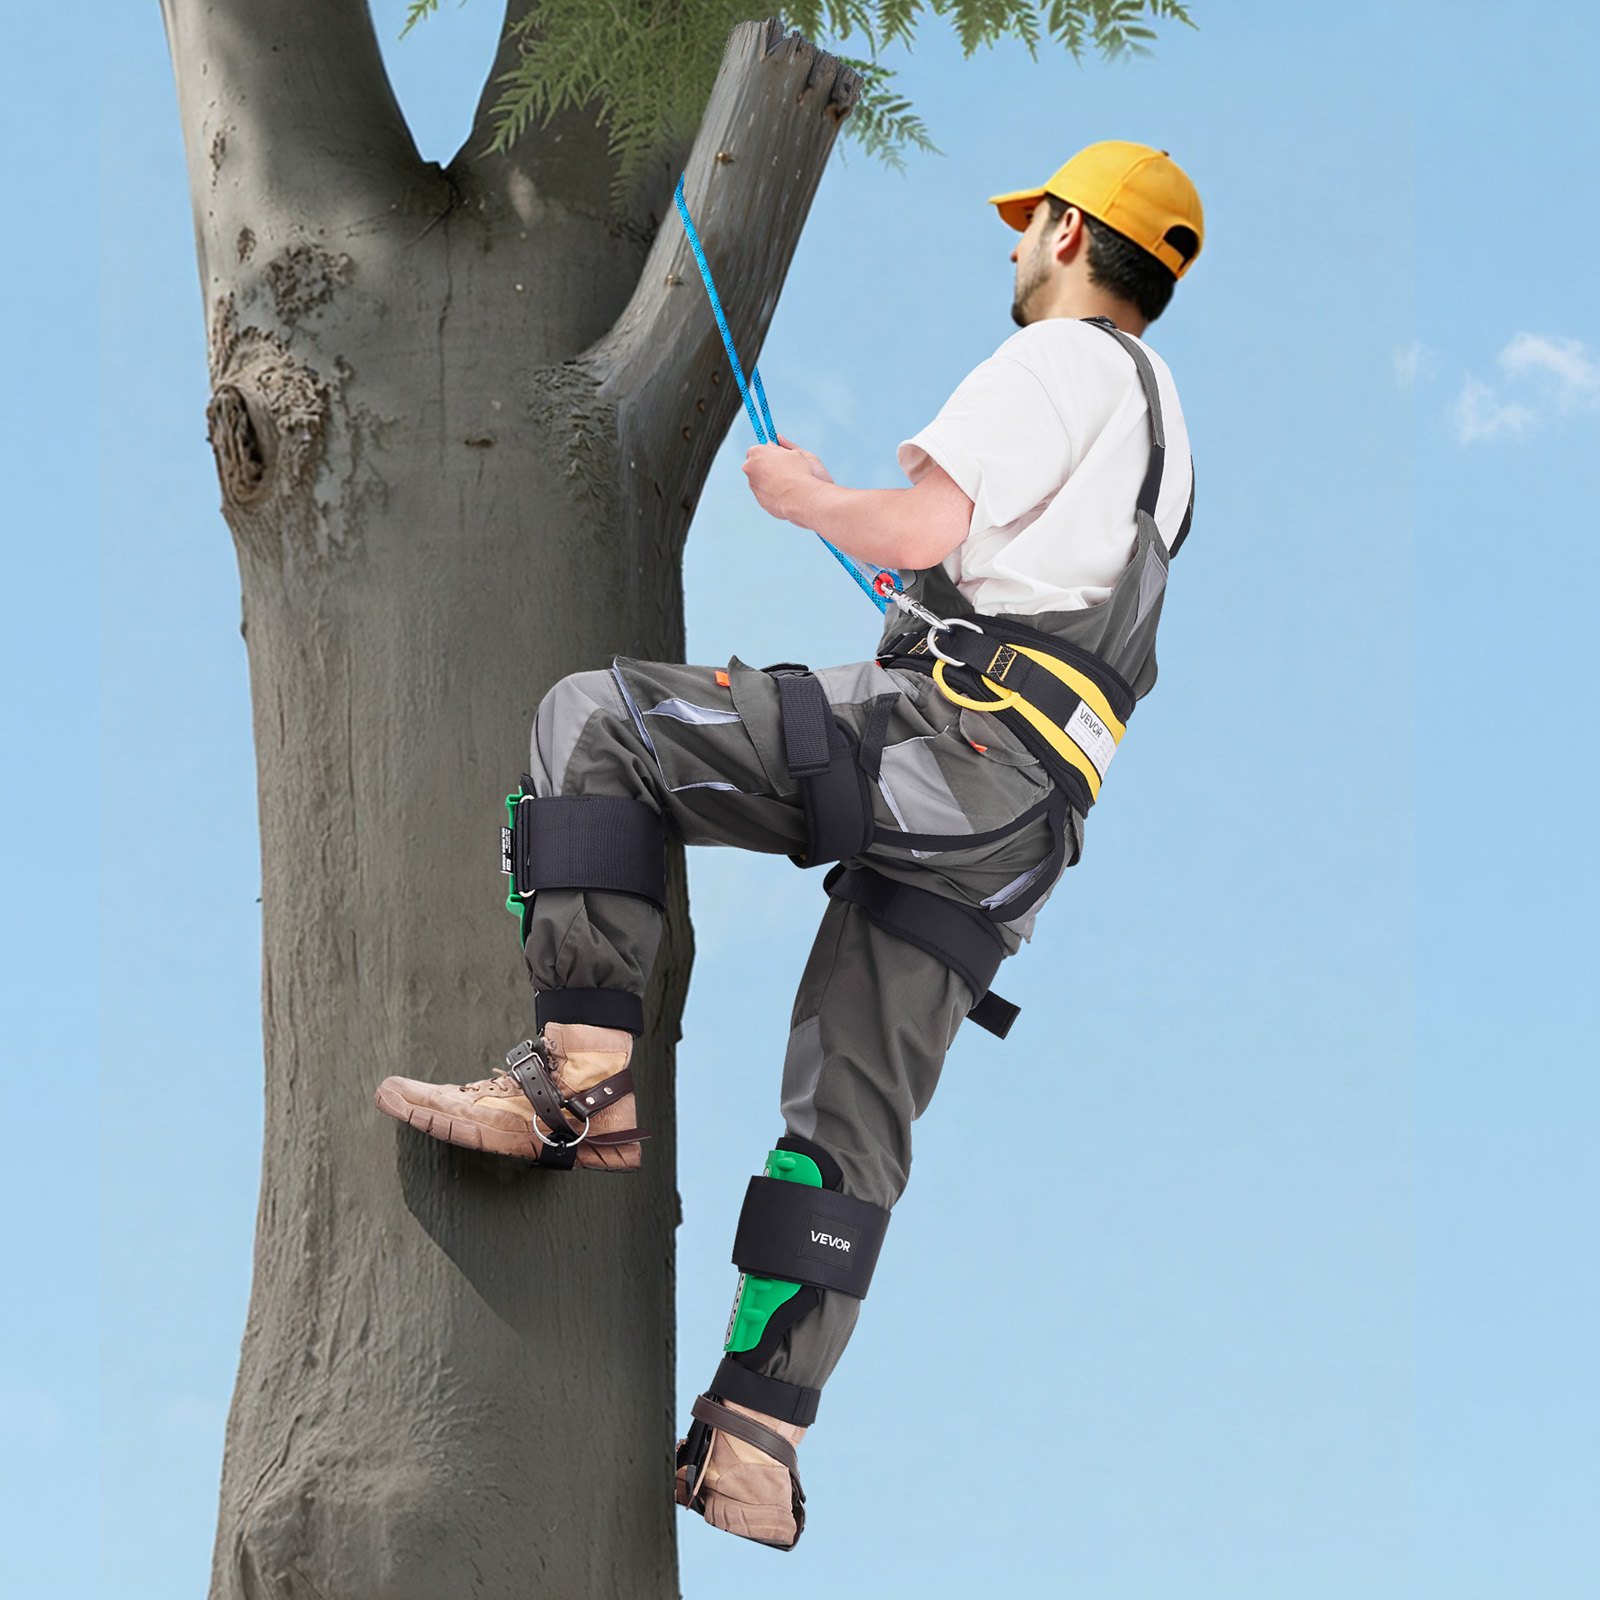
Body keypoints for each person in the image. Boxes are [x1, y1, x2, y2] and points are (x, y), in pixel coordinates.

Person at [375, 139, 1204, 1551]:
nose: (1013, 249)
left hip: (944, 746)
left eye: (1027, 228)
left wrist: (806, 496)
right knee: (848, 1123)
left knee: (600, 722)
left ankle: (576, 1076)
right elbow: (1002, 574)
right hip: (1022, 832)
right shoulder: (1166, 439)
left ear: (1070, 232)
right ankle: (756, 1436)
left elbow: (929, 518)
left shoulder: (1057, 363)